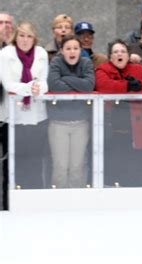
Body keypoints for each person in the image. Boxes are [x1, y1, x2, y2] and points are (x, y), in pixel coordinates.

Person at [95, 39, 142, 186]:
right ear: (110, 56)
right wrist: (127, 86)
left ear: (128, 55)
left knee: (135, 164)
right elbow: (103, 85)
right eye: (116, 52)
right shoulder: (103, 69)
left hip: (135, 126)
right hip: (112, 127)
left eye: (123, 51)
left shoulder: (137, 69)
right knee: (114, 162)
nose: (119, 54)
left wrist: (139, 85)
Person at [0, 21, 49, 188]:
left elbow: (44, 82)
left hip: (37, 117)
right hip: (14, 119)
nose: (25, 40)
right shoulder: (6, 54)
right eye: (21, 35)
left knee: (35, 163)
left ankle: (34, 202)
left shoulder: (41, 53)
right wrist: (29, 88)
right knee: (15, 165)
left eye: (29, 36)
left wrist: (39, 88)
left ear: (34, 39)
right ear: (16, 36)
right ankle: (12, 203)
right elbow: (8, 84)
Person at [47, 35, 95, 188]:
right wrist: (77, 83)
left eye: (75, 48)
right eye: (68, 48)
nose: (72, 52)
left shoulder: (86, 62)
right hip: (58, 123)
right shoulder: (56, 62)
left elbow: (88, 86)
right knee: (60, 166)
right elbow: (54, 85)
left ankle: (77, 200)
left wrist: (65, 78)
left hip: (80, 123)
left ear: (80, 50)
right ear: (61, 50)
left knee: (77, 166)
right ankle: (58, 200)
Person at [0, 12, 13, 209]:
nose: (5, 26)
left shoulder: (16, 52)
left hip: (11, 118)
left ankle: (9, 206)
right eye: (1, 23)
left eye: (9, 23)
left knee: (9, 167)